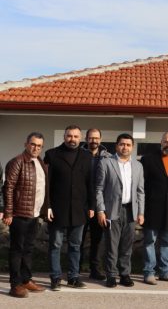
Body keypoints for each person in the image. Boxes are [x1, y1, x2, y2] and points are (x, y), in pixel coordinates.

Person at [44, 124, 94, 290]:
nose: (72, 139)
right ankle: (55, 278)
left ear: (81, 138)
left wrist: (92, 206)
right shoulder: (51, 155)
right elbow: (47, 184)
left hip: (79, 209)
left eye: (75, 136)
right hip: (57, 210)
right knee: (56, 245)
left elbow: (90, 183)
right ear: (64, 137)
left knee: (75, 246)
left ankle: (73, 277)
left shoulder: (87, 156)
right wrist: (48, 206)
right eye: (69, 136)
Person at [95, 133, 145, 288]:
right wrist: (101, 211)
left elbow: (140, 191)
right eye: (122, 144)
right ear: (117, 146)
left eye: (128, 145)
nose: (125, 147)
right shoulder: (106, 163)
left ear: (132, 147)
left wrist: (141, 212)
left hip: (131, 210)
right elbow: (99, 189)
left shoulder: (138, 166)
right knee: (112, 245)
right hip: (112, 210)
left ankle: (125, 274)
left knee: (126, 246)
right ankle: (111, 275)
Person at [4, 132, 48, 298]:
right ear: (26, 144)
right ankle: (15, 284)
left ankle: (26, 280)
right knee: (17, 249)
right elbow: (8, 188)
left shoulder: (40, 163)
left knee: (28, 249)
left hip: (34, 214)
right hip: (19, 214)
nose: (35, 148)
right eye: (33, 144)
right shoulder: (17, 162)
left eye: (39, 146)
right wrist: (8, 212)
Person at [140, 131, 168, 284]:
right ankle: (149, 273)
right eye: (166, 141)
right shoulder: (148, 160)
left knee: (167, 242)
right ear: (161, 142)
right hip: (151, 209)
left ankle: (165, 272)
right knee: (149, 242)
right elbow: (141, 186)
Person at [80, 128, 112, 280]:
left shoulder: (108, 157)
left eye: (96, 138)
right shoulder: (79, 155)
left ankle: (95, 269)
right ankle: (76, 268)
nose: (94, 141)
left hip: (99, 204)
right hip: (81, 204)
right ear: (86, 139)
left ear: (101, 139)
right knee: (77, 238)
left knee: (97, 239)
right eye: (91, 138)